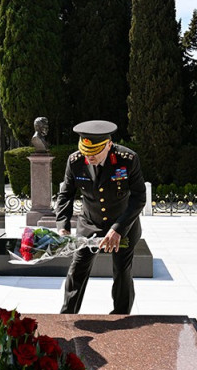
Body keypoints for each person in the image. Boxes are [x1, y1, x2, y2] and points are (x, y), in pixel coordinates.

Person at [55, 120, 146, 314]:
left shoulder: (127, 159)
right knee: (77, 269)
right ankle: (67, 316)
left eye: (94, 152)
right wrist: (63, 226)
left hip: (123, 224)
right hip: (90, 223)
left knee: (122, 272)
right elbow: (66, 195)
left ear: (109, 145)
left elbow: (139, 198)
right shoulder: (75, 161)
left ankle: (121, 316)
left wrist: (118, 229)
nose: (89, 157)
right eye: (86, 152)